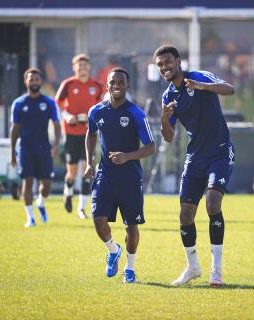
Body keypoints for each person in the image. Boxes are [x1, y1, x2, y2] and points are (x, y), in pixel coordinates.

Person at [154, 45, 235, 287]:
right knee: (185, 215)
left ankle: (216, 270)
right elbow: (168, 137)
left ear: (178, 61)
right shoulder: (168, 96)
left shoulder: (198, 76)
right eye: (160, 65)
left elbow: (230, 89)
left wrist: (204, 87)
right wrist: (164, 120)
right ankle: (193, 268)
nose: (164, 67)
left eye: (167, 62)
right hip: (195, 157)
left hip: (220, 152)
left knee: (212, 204)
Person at [84, 68, 155, 283]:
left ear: (127, 86)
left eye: (121, 82)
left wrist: (127, 156)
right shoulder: (96, 111)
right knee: (97, 219)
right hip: (105, 175)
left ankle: (130, 268)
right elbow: (91, 133)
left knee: (131, 227)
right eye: (112, 82)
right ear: (107, 85)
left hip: (130, 179)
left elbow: (151, 147)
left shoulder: (136, 114)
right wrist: (90, 162)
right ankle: (113, 250)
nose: (116, 85)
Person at [10, 68, 61, 228]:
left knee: (46, 184)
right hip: (25, 148)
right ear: (26, 82)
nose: (34, 82)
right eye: (31, 79)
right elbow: (15, 129)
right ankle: (30, 218)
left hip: (44, 147)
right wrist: (12, 152)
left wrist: (56, 144)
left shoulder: (49, 102)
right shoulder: (18, 103)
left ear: (40, 82)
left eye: (37, 79)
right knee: (28, 182)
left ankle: (41, 202)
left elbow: (57, 125)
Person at [55, 54, 102, 218]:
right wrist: (67, 116)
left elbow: (101, 106)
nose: (82, 69)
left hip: (89, 134)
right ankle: (67, 192)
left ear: (89, 68)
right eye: (79, 66)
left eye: (84, 66)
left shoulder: (96, 86)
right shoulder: (67, 84)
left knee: (87, 170)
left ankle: (81, 208)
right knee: (72, 173)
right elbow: (58, 105)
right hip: (70, 133)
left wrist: (93, 121)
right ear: (74, 68)